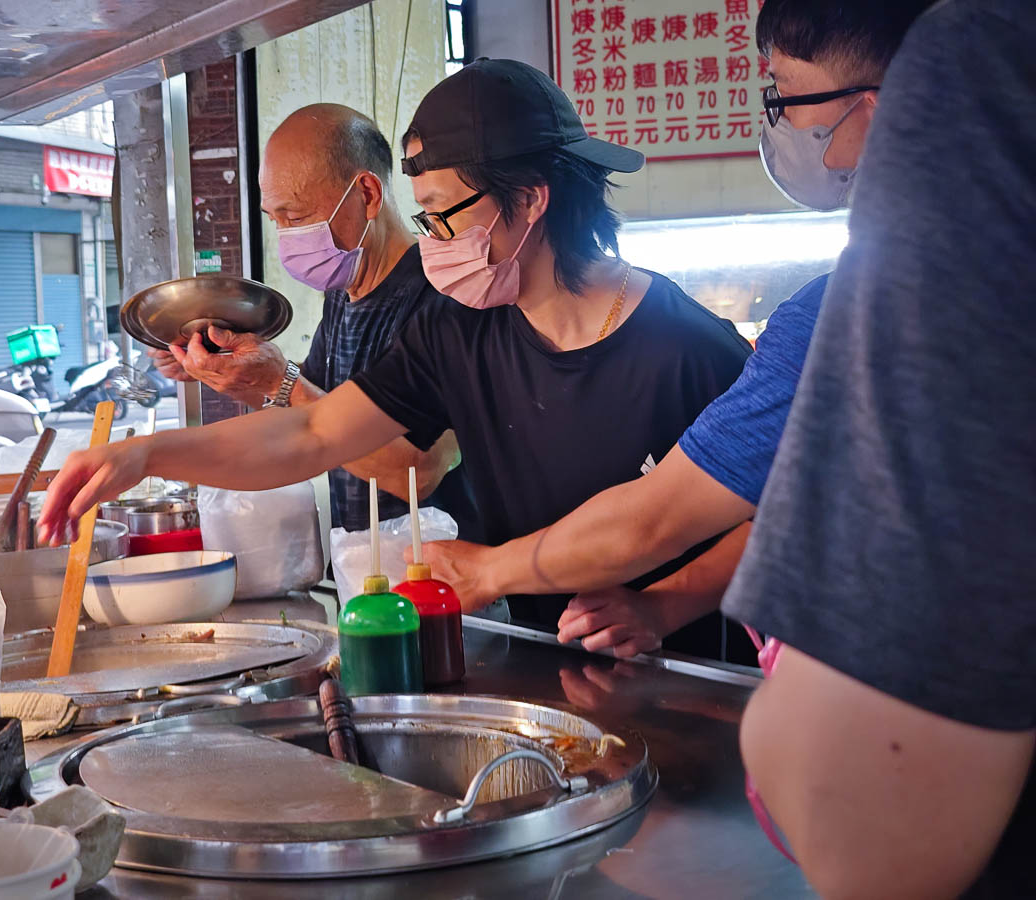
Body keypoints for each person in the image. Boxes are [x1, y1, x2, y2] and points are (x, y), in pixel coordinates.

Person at [38, 59, 751, 651]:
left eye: (443, 215)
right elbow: (314, 432)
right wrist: (148, 455)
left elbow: (774, 522)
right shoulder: (461, 330)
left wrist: (661, 607)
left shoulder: (685, 347)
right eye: (423, 218)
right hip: (540, 660)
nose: (432, 242)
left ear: (530, 200)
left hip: (680, 679)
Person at [416, 0, 934, 659]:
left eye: (784, 98)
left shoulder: (834, 323)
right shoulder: (455, 331)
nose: (774, 120)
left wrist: (487, 571)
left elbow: (658, 518)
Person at [725, 0, 1035, 894]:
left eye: (784, 95)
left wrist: (777, 722)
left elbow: (866, 831)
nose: (776, 123)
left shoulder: (983, 66)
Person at [152, 104, 474, 535]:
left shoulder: (446, 295)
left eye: (297, 217)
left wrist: (278, 380)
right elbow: (305, 406)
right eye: (275, 220)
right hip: (360, 566)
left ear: (367, 195)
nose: (287, 237)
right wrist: (228, 368)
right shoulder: (343, 294)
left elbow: (416, 472)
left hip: (444, 581)